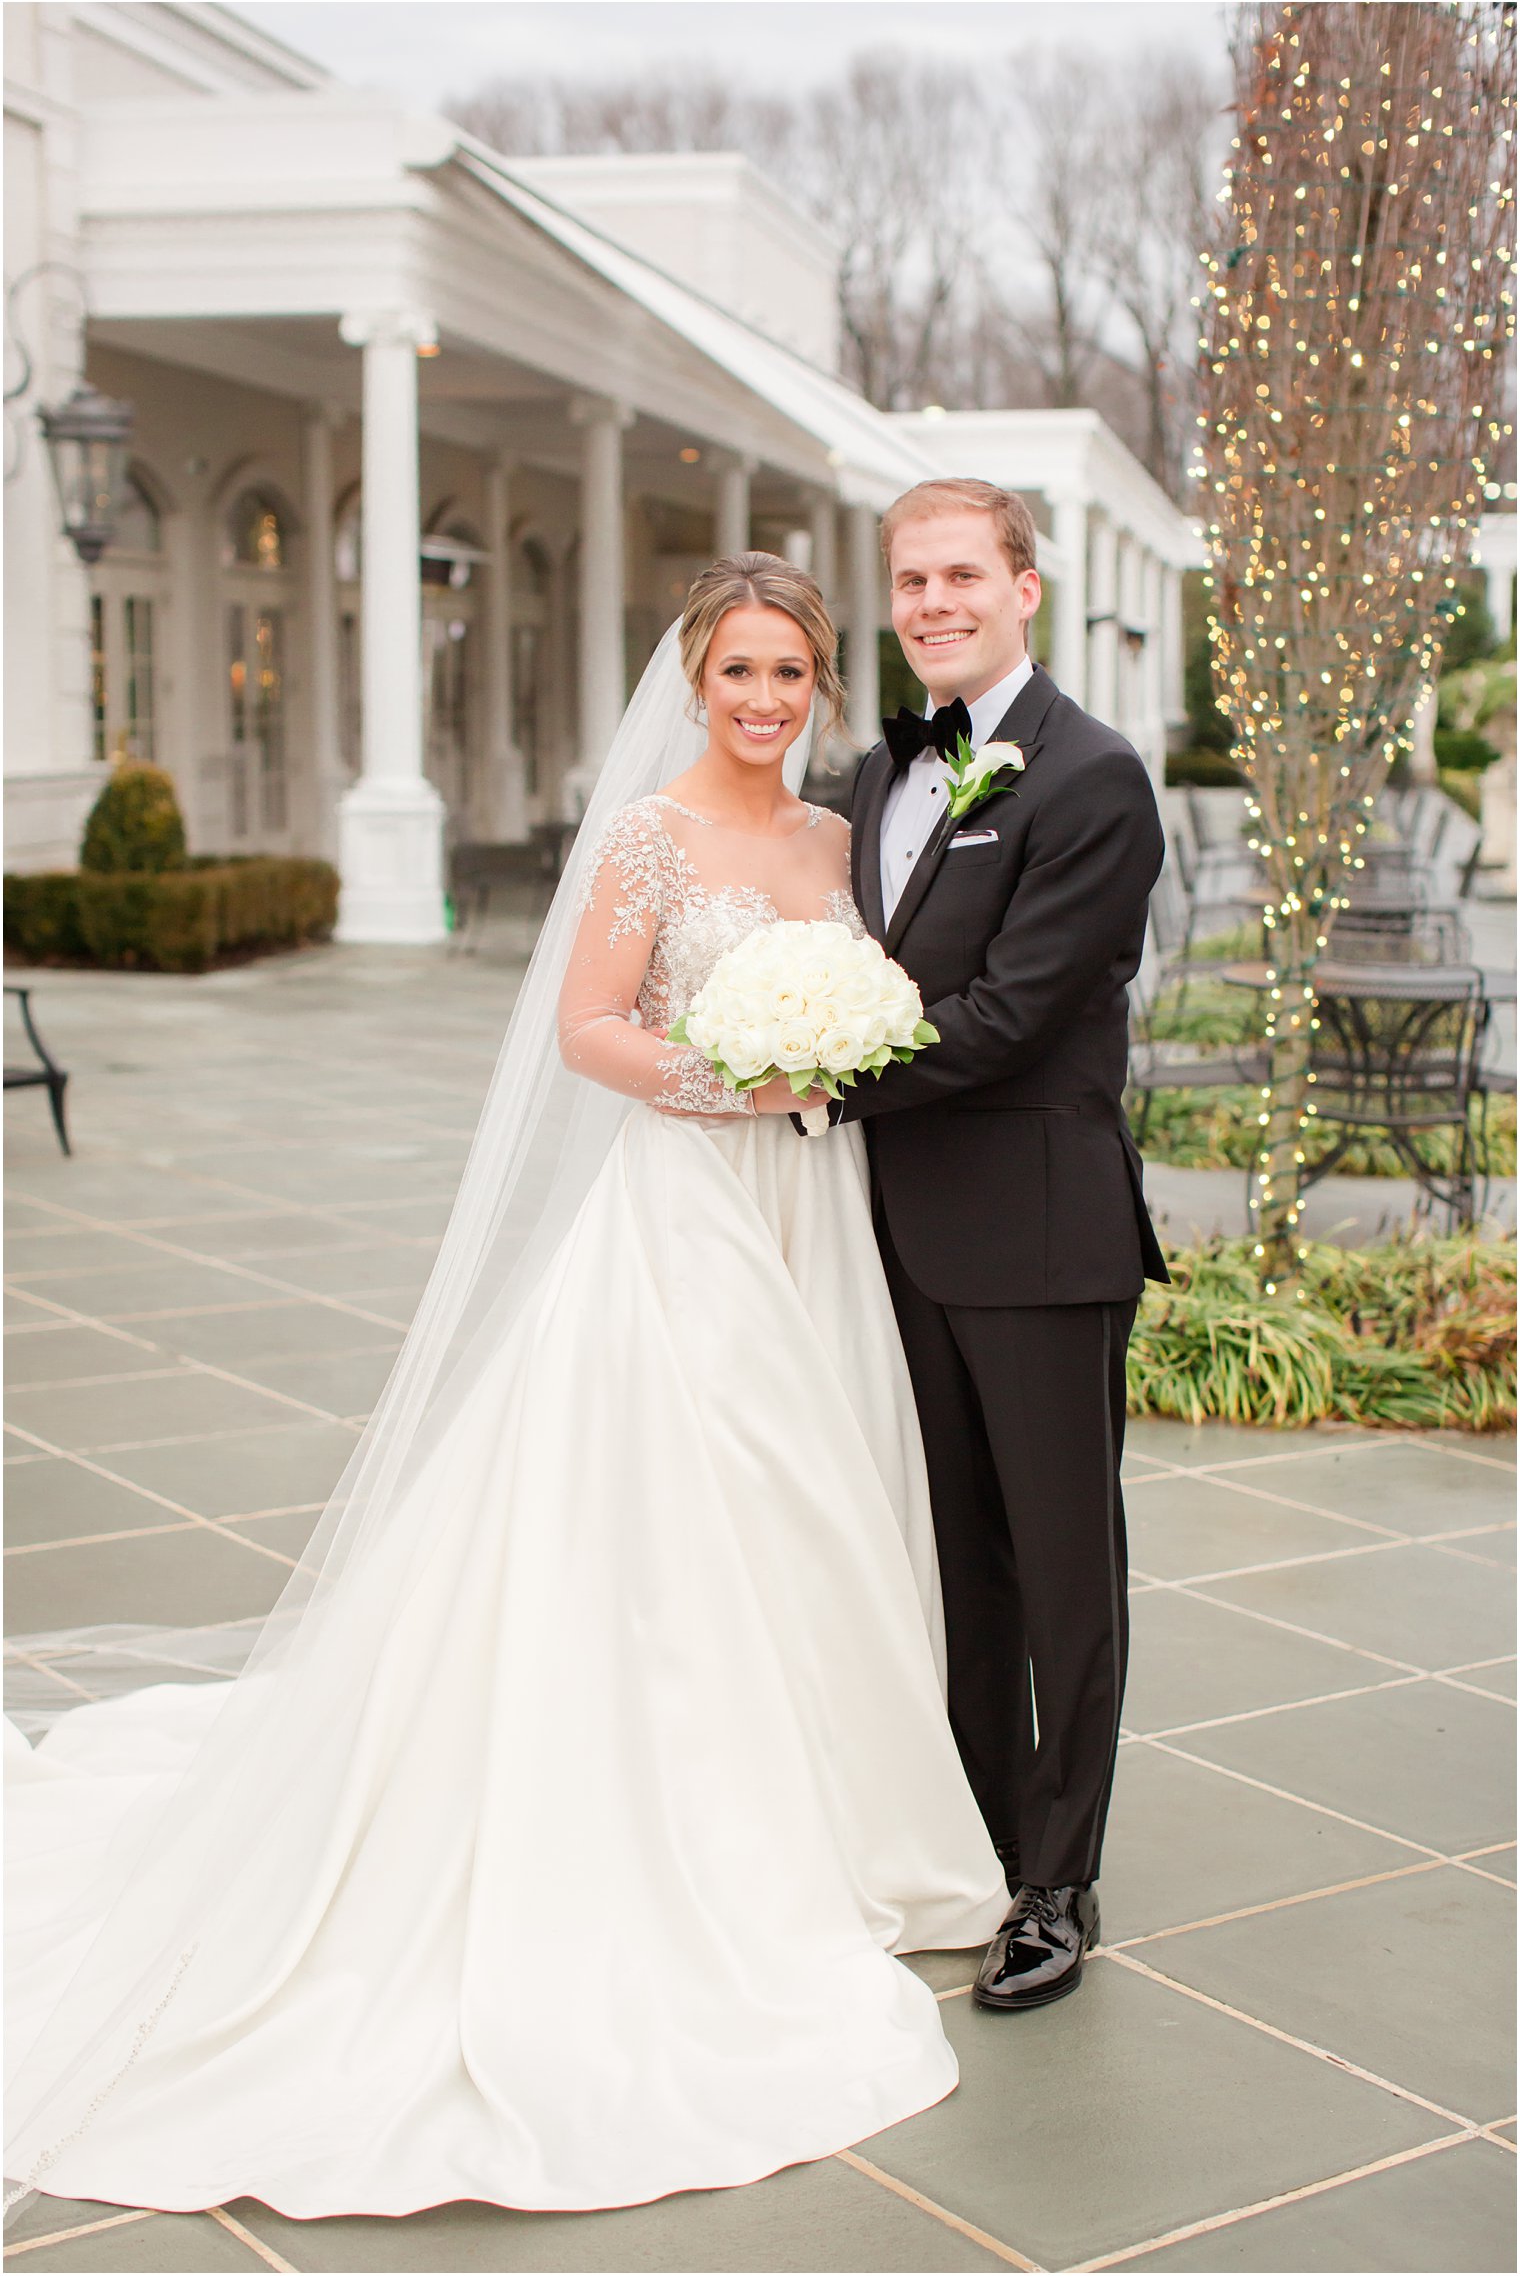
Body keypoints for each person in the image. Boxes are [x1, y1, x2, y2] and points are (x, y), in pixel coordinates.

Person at [4, 554, 1009, 2225]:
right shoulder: (650, 838)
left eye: (792, 674)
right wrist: (734, 1072)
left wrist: (830, 1058)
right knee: (699, 1507)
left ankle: (840, 1813)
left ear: (822, 687)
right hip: (687, 1209)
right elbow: (590, 1029)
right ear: (695, 677)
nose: (765, 699)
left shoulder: (835, 842)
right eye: (739, 670)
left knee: (826, 1491)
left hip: (812, 1211)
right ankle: (701, 1833)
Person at [794, 478, 1169, 2012]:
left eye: (962, 574)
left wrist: (815, 1070)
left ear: (1026, 586)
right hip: (892, 1232)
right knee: (953, 1565)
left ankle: (1060, 1881)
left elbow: (1016, 1015)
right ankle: (973, 1834)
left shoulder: (1095, 779)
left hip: (1035, 1226)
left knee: (1062, 1570)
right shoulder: (879, 773)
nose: (933, 601)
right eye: (909, 579)